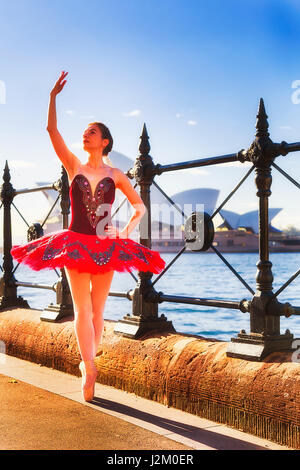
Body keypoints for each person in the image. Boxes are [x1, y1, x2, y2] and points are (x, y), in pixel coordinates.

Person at [10, 71, 166, 402]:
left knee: (95, 311)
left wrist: (122, 232)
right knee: (85, 311)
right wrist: (52, 97)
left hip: (106, 246)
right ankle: (90, 366)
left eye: (91, 132)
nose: (85, 136)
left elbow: (140, 208)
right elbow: (52, 130)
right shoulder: (74, 166)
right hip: (76, 243)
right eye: (83, 132)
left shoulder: (115, 174)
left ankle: (88, 366)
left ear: (105, 141)